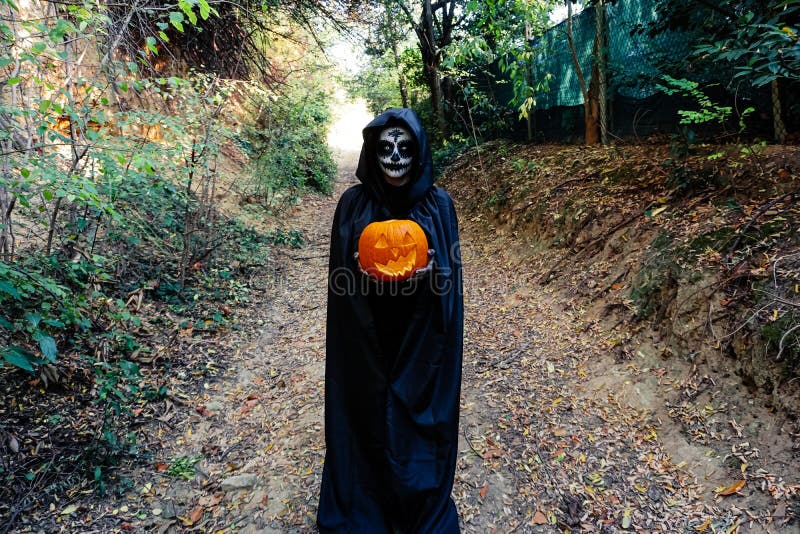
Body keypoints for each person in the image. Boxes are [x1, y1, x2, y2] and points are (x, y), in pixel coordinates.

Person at [318, 108, 464, 533]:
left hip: (420, 342)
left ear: (418, 153)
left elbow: (450, 281)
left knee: (415, 421)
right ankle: (367, 502)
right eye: (386, 148)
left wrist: (429, 277)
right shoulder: (352, 206)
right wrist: (362, 279)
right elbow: (340, 283)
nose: (396, 157)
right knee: (366, 417)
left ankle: (417, 498)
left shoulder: (439, 206)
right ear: (372, 152)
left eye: (405, 147)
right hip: (367, 339)